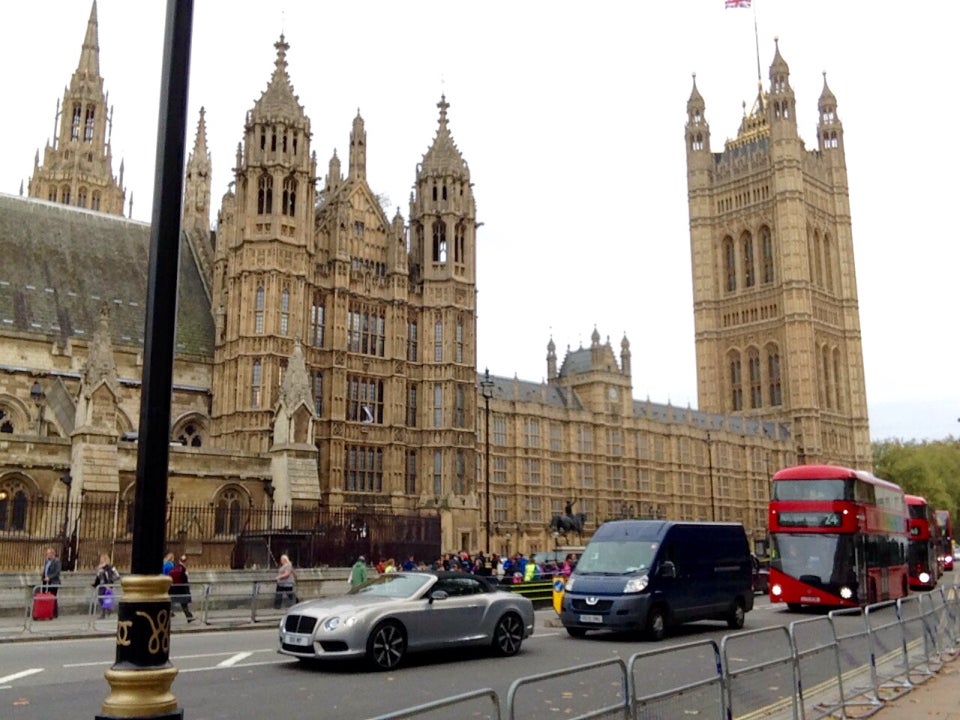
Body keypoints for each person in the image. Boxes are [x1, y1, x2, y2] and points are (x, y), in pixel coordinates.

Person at [169, 555, 195, 622]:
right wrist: (186, 575)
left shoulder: (175, 567)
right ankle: (189, 617)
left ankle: (189, 617)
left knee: (172, 603)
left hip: (173, 589)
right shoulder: (182, 569)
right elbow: (184, 581)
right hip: (182, 589)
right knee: (184, 604)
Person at [92, 553, 119, 618]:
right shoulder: (99, 567)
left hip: (107, 585)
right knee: (100, 598)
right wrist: (95, 584)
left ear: (105, 559)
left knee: (106, 598)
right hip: (101, 585)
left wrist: (110, 582)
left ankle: (105, 612)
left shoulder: (110, 567)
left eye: (102, 558)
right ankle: (106, 610)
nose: (101, 559)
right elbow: (98, 577)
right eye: (100, 558)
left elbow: (117, 576)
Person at [41, 547, 62, 618]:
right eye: (47, 553)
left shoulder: (57, 561)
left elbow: (57, 572)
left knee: (53, 596)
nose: (47, 555)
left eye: (48, 553)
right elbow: (45, 570)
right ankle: (47, 611)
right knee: (45, 596)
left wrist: (49, 577)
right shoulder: (47, 561)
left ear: (53, 554)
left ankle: (54, 613)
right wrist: (43, 577)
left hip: (54, 582)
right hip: (46, 581)